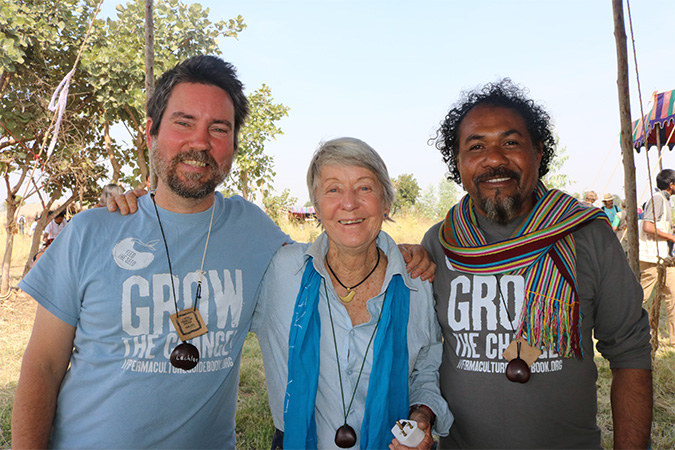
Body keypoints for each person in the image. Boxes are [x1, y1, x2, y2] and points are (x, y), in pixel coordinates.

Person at [12, 56, 433, 449]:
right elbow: (43, 367)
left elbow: (338, 251)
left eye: (219, 128)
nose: (201, 141)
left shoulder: (254, 231)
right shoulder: (92, 230)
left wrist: (401, 253)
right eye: (184, 122)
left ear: (232, 144)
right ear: (151, 132)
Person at [421, 79, 652, 449]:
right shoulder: (439, 243)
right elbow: (419, 355)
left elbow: (631, 354)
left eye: (510, 143)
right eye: (476, 146)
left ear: (539, 152)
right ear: (459, 163)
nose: (494, 158)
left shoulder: (588, 235)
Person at [252, 138, 452, 449]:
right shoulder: (280, 271)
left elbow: (426, 367)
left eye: (364, 188)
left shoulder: (416, 281)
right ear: (316, 206)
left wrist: (422, 413)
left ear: (385, 202)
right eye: (333, 189)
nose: (349, 203)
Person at [639, 169, 675, 346]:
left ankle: (674, 339)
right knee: (641, 298)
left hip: (663, 257)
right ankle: (624, 331)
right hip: (652, 257)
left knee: (672, 295)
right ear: (671, 185)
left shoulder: (665, 201)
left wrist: (670, 231)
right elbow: (647, 226)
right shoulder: (658, 199)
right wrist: (671, 237)